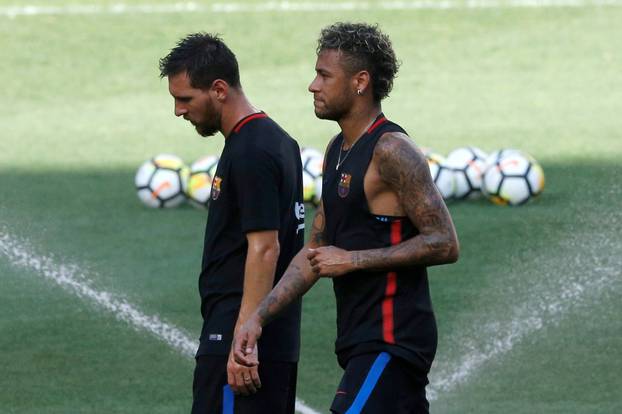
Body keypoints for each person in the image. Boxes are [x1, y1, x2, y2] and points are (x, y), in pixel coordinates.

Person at [233, 23, 459, 413]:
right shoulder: (336, 150)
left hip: (393, 339)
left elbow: (444, 242)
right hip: (359, 340)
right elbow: (315, 253)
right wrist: (258, 317)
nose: (312, 85)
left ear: (360, 82)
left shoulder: (392, 150)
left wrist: (353, 259)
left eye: (324, 75)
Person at [159, 33, 304, 414]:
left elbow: (266, 247)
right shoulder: (278, 141)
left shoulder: (251, 150)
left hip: (241, 341)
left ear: (219, 89)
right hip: (273, 341)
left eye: (186, 98)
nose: (178, 110)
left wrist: (242, 340)